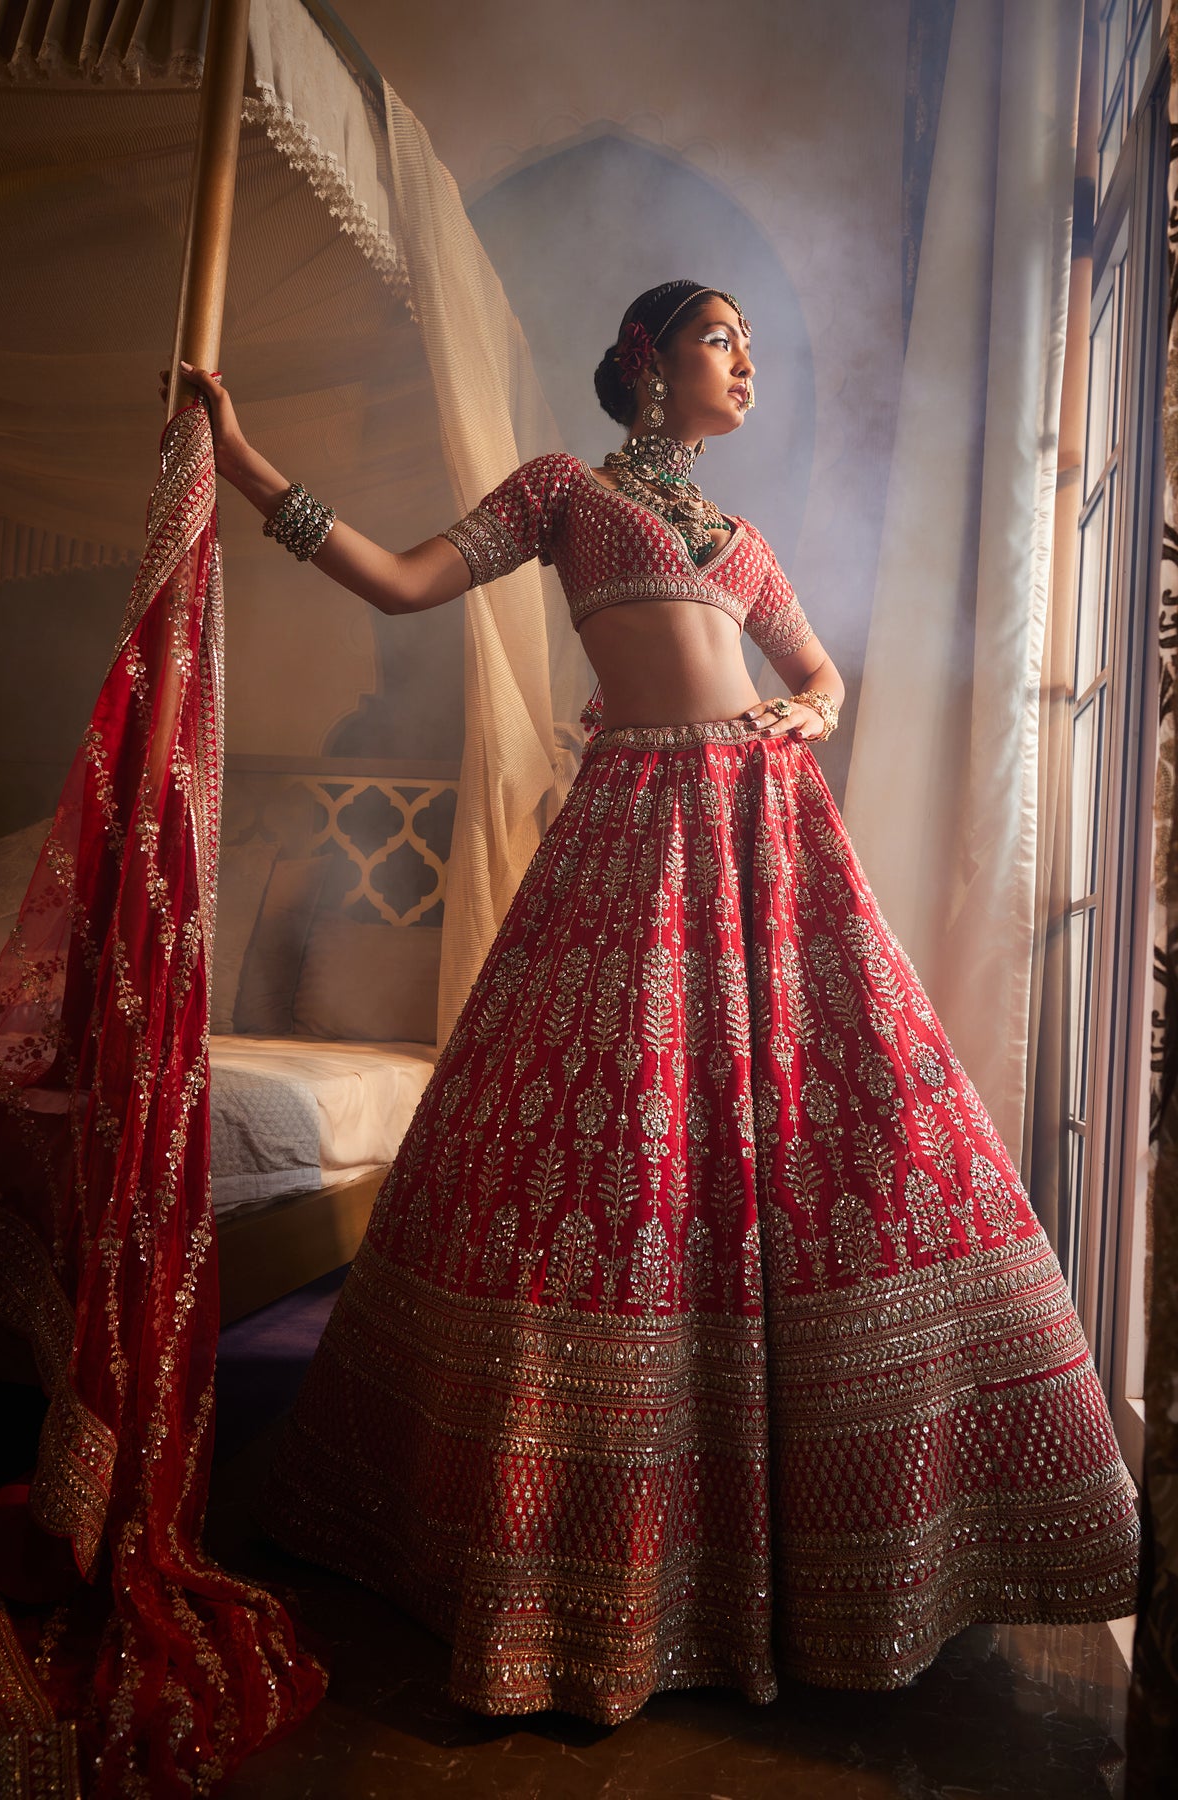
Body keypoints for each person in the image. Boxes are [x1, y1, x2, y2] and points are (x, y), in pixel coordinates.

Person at [182, 279, 1139, 1724]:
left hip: (766, 840)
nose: (745, 360)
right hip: (633, 836)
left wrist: (792, 718)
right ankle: (576, 1551)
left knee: (849, 1131)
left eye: (749, 342)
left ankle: (859, 1540)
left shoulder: (738, 542)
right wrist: (246, 465)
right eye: (718, 337)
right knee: (617, 1148)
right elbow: (397, 580)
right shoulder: (566, 494)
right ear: (644, 361)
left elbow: (819, 677)